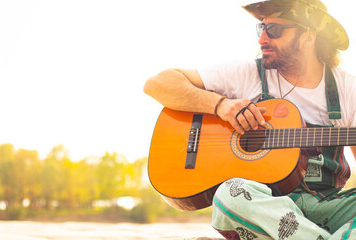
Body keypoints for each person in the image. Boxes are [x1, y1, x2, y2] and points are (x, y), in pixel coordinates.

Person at [144, 0, 356, 239]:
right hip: (263, 208)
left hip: (330, 206)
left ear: (308, 37)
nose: (261, 39)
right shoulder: (246, 75)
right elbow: (157, 84)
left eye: (273, 30)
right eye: (260, 28)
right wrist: (221, 105)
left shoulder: (347, 87)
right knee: (229, 194)